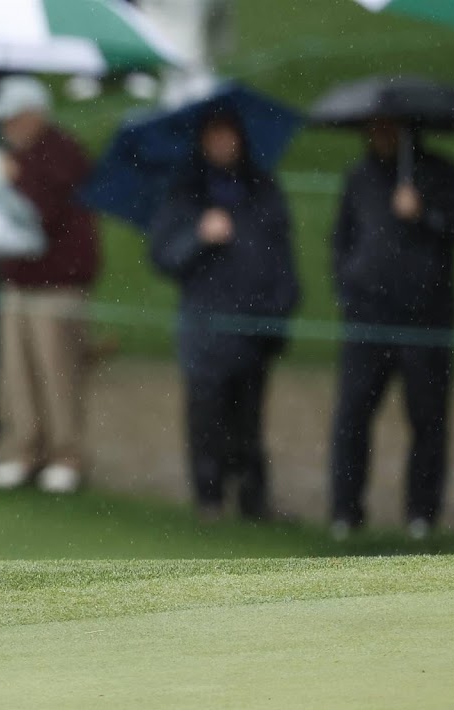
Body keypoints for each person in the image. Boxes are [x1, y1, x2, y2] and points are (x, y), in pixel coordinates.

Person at [329, 120, 454, 540]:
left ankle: (421, 516)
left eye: (390, 129)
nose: (381, 136)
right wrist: (348, 286)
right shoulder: (358, 178)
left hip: (425, 318)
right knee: (352, 415)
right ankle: (345, 513)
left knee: (428, 418)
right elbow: (340, 240)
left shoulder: (440, 173)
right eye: (375, 128)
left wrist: (425, 213)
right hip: (368, 317)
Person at [150, 108, 299, 520]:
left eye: (229, 135)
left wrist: (281, 308)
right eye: (214, 136)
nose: (223, 144)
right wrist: (199, 237)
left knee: (249, 421)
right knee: (206, 415)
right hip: (205, 327)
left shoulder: (263, 188)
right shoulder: (185, 193)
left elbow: (282, 257)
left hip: (255, 324)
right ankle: (209, 499)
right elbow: (163, 255)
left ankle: (253, 500)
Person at [0, 76, 100, 495]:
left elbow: (42, 213)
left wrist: (14, 179)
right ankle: (25, 451)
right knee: (18, 373)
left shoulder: (62, 152)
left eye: (11, 119)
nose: (5, 128)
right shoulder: (17, 155)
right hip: (18, 282)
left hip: (57, 285)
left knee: (58, 372)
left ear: (32, 116)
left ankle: (66, 455)